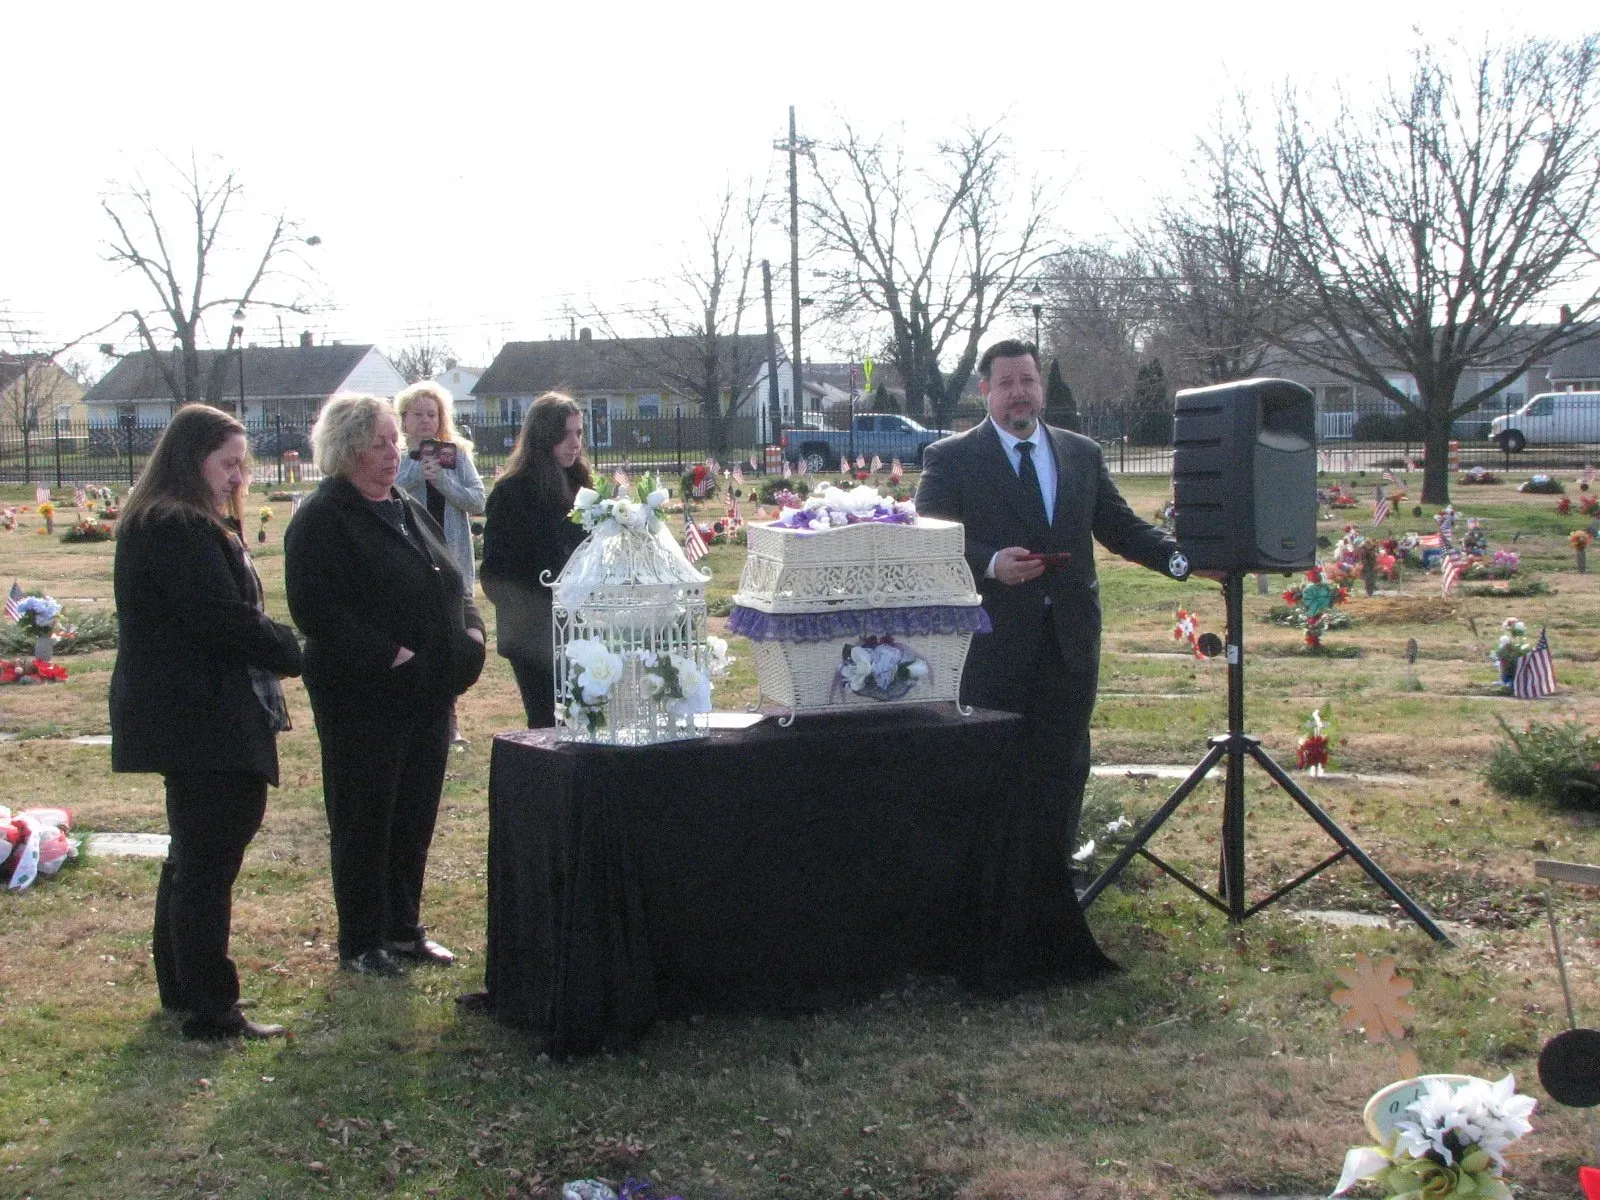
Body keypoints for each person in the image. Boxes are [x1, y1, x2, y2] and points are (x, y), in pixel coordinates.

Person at [915, 339, 1194, 864]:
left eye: (1028, 381)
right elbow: (928, 537)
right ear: (985, 392)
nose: (1019, 394)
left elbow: (1120, 527)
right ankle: (993, 882)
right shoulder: (950, 458)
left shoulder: (1080, 453)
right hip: (992, 643)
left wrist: (1182, 560)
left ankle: (1054, 883)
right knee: (993, 765)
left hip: (1069, 642)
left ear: (1041, 386)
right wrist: (991, 563)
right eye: (1006, 384)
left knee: (1064, 765)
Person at [109, 403, 304, 1040]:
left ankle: (184, 989)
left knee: (192, 854)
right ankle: (210, 1008)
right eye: (228, 463)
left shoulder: (175, 522)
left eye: (243, 464)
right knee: (208, 859)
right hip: (200, 714)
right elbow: (222, 621)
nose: (238, 477)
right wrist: (294, 650)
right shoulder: (177, 528)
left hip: (192, 710)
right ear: (193, 461)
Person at [284, 394, 487, 976]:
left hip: (425, 689)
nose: (393, 450)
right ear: (347, 448)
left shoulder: (405, 504)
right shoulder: (323, 518)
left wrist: (470, 633)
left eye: (394, 439)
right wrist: (392, 655)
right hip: (363, 694)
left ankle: (404, 929)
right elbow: (316, 609)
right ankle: (362, 941)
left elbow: (452, 578)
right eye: (381, 441)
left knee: (415, 811)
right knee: (365, 815)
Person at [480, 392, 592, 727]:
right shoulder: (512, 492)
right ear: (544, 436)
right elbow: (494, 574)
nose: (575, 444)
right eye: (566, 434)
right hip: (533, 635)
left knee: (587, 721)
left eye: (579, 433)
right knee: (548, 725)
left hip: (580, 628)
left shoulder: (581, 484)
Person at [394, 381, 486, 747]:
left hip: (452, 560)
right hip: (414, 560)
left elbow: (477, 500)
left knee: (453, 639)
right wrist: (419, 472)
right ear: (404, 419)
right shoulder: (396, 456)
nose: (425, 422)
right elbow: (391, 489)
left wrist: (443, 479)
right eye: (417, 414)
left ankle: (450, 722)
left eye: (432, 414)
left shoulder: (456, 456)